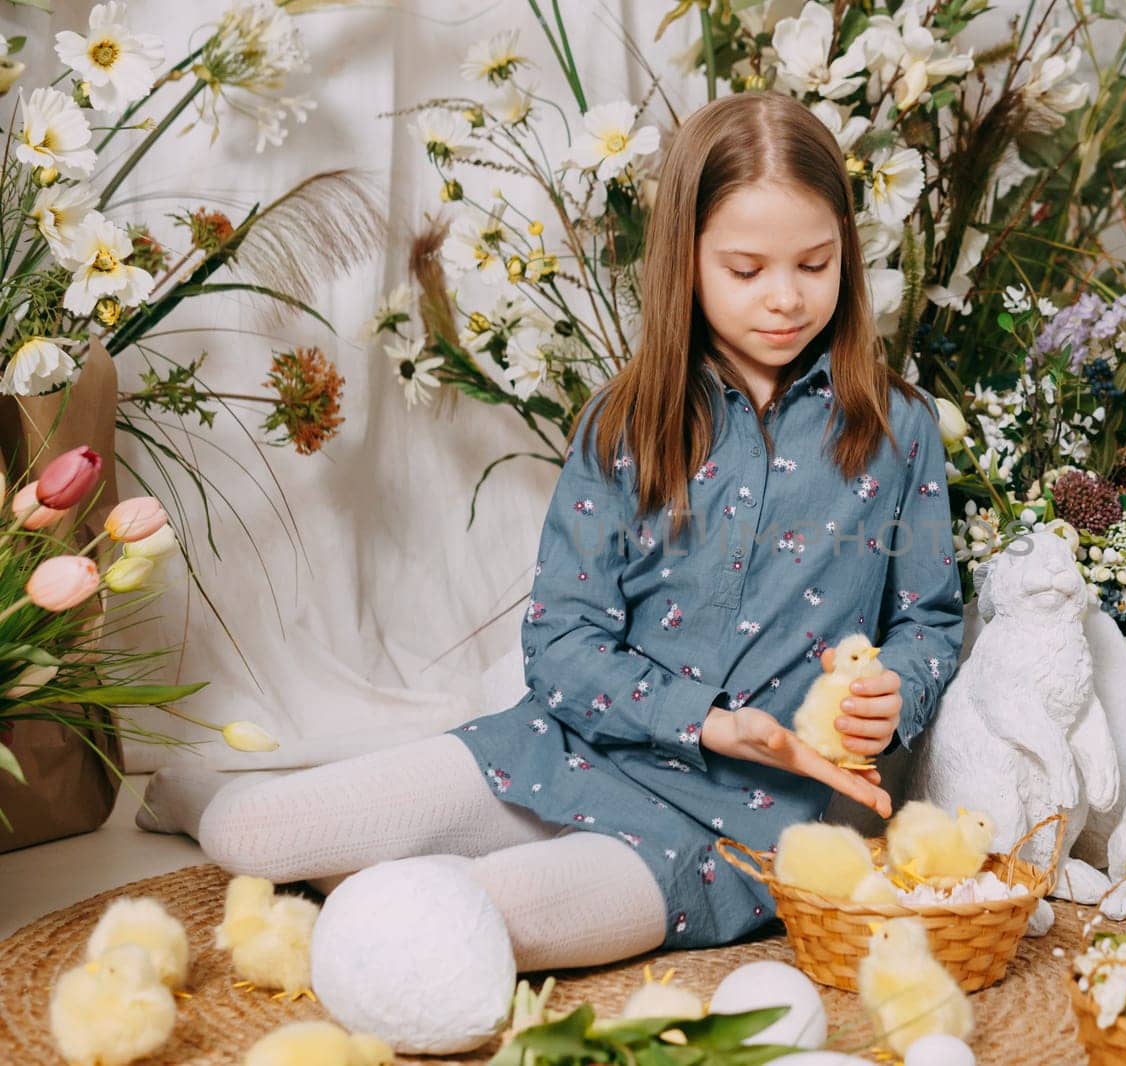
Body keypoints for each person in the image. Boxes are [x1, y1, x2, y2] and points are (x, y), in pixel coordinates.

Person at [138, 91, 964, 970]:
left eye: (815, 263)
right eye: (746, 269)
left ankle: (382, 892)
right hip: (561, 750)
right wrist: (710, 723)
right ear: (686, 261)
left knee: (457, 926)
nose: (785, 299)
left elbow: (929, 623)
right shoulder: (623, 420)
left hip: (732, 831)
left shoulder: (898, 430)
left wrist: (896, 693)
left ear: (847, 253)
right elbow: (563, 641)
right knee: (256, 834)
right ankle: (194, 794)